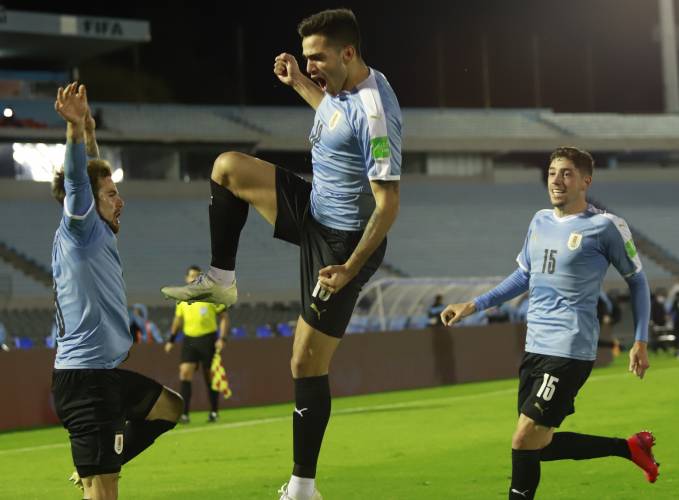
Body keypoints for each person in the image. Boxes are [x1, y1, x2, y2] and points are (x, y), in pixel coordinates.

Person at [161, 8, 401, 499]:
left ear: (348, 53)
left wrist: (350, 268)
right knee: (226, 167)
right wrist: (298, 83)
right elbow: (333, 117)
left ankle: (303, 485)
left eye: (317, 58)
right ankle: (221, 278)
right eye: (307, 57)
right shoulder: (337, 92)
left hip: (341, 246)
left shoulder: (376, 112)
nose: (311, 64)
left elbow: (388, 204)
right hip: (312, 208)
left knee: (304, 365)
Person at [440, 147, 658, 499]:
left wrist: (640, 340)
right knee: (537, 445)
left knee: (523, 437)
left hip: (570, 348)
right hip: (535, 346)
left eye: (567, 173)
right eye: (553, 172)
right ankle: (629, 448)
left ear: (586, 181)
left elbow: (637, 280)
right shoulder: (539, 220)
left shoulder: (605, 227)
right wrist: (474, 304)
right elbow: (524, 275)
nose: (557, 179)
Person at [50, 82, 183, 500]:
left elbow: (88, 173)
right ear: (90, 203)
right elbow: (78, 180)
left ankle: (102, 459)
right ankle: (98, 465)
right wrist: (73, 131)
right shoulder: (80, 228)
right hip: (86, 379)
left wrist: (89, 135)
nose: (120, 200)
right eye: (111, 195)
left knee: (169, 407)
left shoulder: (96, 232)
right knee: (104, 493)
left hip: (99, 375)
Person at [164, 265, 229, 423]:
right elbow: (177, 320)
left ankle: (214, 412)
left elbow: (225, 318)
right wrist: (171, 339)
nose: (195, 278)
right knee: (185, 373)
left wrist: (222, 338)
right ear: (186, 279)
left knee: (209, 376)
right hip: (189, 340)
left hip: (208, 339)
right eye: (192, 276)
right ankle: (184, 414)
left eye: (198, 276)